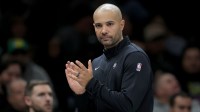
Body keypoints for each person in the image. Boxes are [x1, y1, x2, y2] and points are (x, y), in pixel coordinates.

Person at [65, 3, 153, 112]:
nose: (104, 31)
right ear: (94, 27)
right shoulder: (96, 63)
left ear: (122, 25)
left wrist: (91, 84)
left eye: (110, 24)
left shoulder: (135, 57)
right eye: (99, 25)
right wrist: (81, 93)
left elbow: (128, 105)